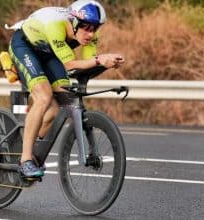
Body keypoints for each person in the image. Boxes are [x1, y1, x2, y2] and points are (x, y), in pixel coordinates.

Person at [7, 0, 125, 178]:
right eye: (86, 28)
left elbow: (87, 66)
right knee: (44, 97)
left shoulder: (90, 36)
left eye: (94, 28)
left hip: (48, 53)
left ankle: (25, 142)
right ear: (74, 23)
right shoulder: (56, 25)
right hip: (25, 47)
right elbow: (69, 65)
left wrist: (106, 64)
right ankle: (25, 160)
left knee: (57, 106)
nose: (90, 34)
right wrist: (100, 60)